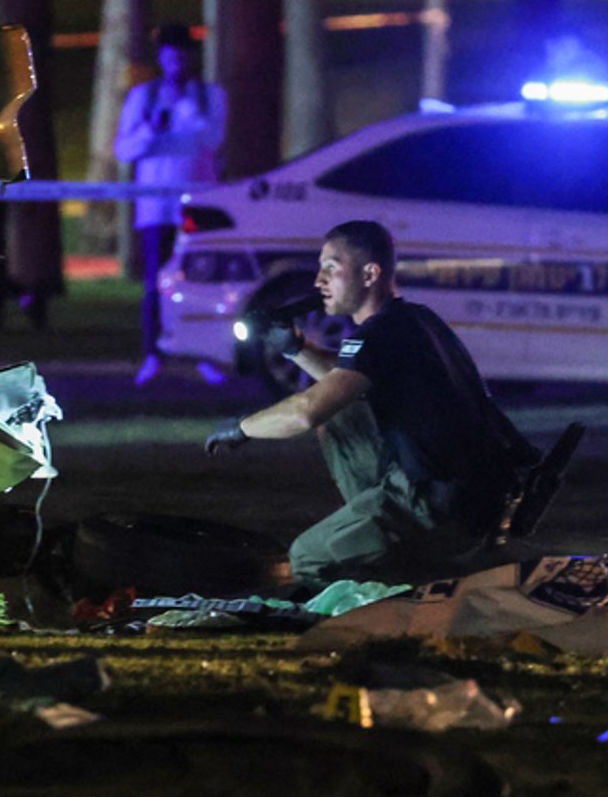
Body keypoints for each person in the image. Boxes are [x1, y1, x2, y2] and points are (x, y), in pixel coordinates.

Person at [203, 221, 534, 586]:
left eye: (331, 267)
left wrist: (242, 427)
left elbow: (306, 411)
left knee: (307, 559)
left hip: (441, 507)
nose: (318, 281)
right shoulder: (414, 320)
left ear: (370, 273)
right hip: (478, 498)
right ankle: (374, 533)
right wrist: (296, 348)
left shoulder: (380, 334)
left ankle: (405, 581)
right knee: (341, 415)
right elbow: (342, 381)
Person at [116, 24, 227, 386]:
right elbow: (124, 150)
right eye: (169, 57)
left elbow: (213, 138)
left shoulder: (209, 97)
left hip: (197, 206)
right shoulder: (144, 97)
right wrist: (151, 128)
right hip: (156, 208)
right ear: (161, 59)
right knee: (155, 282)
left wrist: (188, 110)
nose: (176, 63)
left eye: (181, 56)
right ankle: (153, 354)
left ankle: (202, 354)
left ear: (191, 58)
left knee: (200, 278)